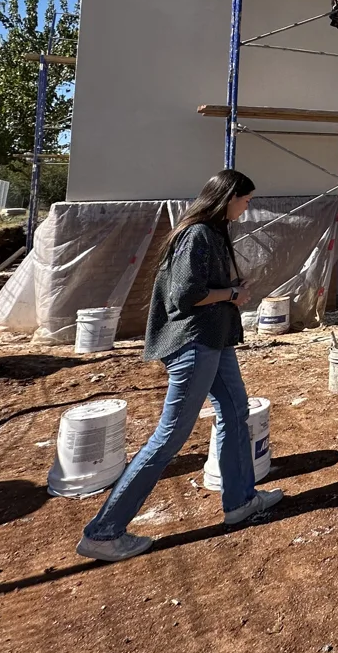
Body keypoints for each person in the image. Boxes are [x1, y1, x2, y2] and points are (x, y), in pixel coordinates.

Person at [76, 169, 283, 562]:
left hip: (216, 342)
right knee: (169, 437)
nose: (248, 206)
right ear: (227, 198)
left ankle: (240, 501)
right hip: (195, 344)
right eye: (245, 199)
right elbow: (184, 295)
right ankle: (104, 532)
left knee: (235, 412)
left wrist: (230, 291)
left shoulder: (212, 233)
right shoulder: (198, 234)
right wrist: (233, 293)